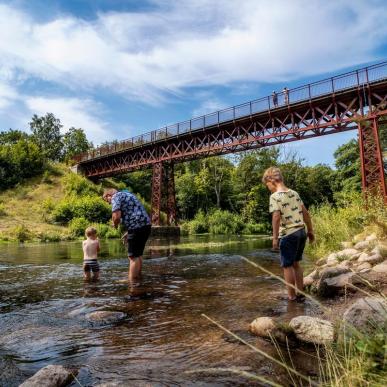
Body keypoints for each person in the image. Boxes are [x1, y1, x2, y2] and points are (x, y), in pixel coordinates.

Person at [262, 167, 314, 301]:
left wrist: (274, 238)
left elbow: (276, 217)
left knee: (287, 266)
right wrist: (310, 230)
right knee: (296, 263)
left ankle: (291, 296)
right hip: (301, 232)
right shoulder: (294, 193)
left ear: (270, 181)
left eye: (266, 185)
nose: (267, 188)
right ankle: (301, 293)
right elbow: (306, 213)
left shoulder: (274, 196)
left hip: (288, 234)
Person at [103, 188, 151, 282]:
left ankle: (131, 281)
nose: (109, 203)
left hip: (136, 226)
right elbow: (133, 213)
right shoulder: (128, 195)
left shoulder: (115, 196)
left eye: (107, 201)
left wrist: (115, 225)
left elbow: (116, 216)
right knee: (138, 254)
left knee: (132, 256)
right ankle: (137, 277)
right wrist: (128, 232)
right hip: (145, 226)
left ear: (108, 195)